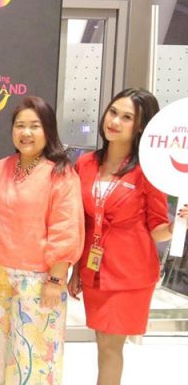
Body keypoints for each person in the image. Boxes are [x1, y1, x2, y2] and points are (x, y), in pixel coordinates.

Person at [68, 88, 186, 385]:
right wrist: (76, 270)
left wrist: (177, 226)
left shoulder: (147, 171)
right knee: (102, 342)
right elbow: (81, 222)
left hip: (129, 275)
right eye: (113, 112)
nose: (115, 121)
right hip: (93, 271)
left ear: (141, 126)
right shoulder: (85, 164)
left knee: (111, 347)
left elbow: (157, 228)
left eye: (126, 117)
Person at [0, 95, 84, 385]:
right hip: (1, 275)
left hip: (40, 279)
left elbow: (66, 228)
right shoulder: (1, 168)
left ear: (48, 130)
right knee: (0, 352)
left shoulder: (61, 174)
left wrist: (56, 279)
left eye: (34, 126)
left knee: (33, 359)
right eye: (20, 125)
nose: (26, 133)